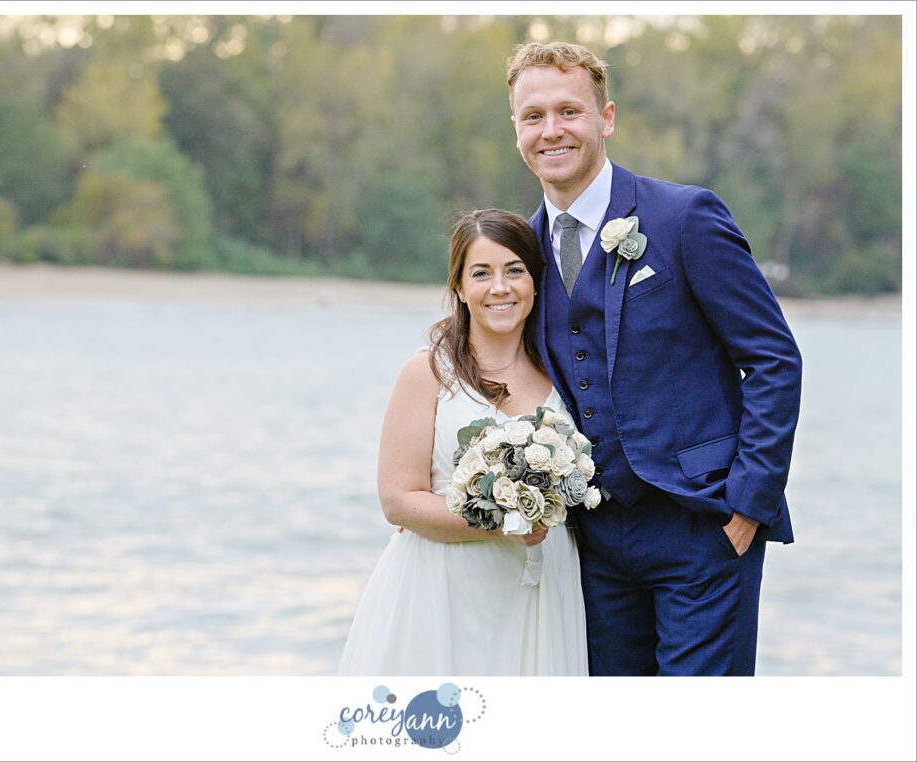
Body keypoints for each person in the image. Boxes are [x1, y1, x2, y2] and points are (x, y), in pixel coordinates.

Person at [505, 41, 803, 675]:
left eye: (569, 111)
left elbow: (774, 358)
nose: (551, 130)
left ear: (605, 118)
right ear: (516, 129)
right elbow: (492, 373)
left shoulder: (683, 217)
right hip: (589, 544)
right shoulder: (519, 249)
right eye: (533, 116)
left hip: (704, 526)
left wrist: (749, 504)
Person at [337, 209, 588, 676]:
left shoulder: (566, 377)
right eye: (481, 273)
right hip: (442, 585)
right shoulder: (429, 373)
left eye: (515, 271)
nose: (500, 287)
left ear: (536, 283)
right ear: (458, 287)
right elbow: (397, 500)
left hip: (541, 584)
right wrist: (505, 520)